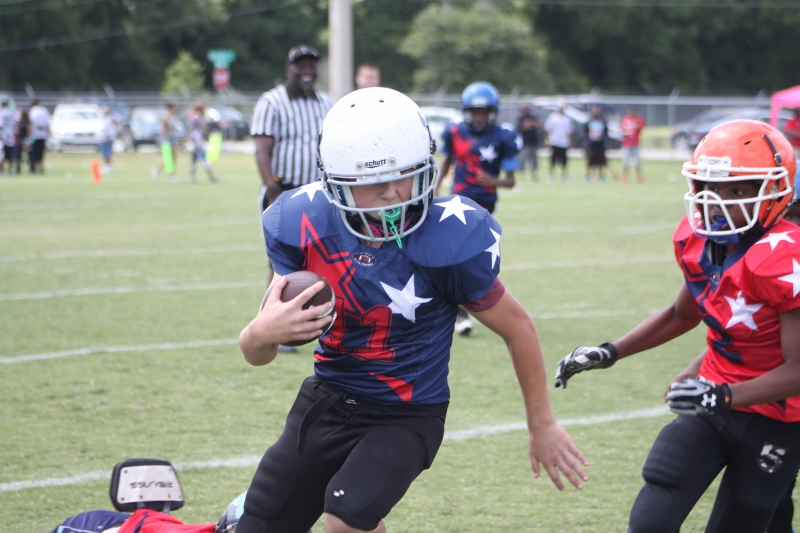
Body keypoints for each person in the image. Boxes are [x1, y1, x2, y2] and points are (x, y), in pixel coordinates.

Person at [237, 87, 589, 533]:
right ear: (336, 182)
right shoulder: (302, 223)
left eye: (406, 174)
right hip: (326, 397)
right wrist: (259, 334)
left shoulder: (449, 238)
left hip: (407, 412)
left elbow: (517, 327)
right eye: (373, 182)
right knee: (259, 523)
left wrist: (542, 425)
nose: (392, 192)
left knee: (346, 517)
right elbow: (256, 353)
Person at [554, 119, 800, 533]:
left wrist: (723, 395)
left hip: (775, 413)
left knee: (745, 519)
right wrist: (610, 351)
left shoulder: (784, 257)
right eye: (710, 187)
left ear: (775, 192)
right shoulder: (698, 240)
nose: (718, 201)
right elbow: (681, 314)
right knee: (655, 508)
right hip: (712, 397)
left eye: (737, 190)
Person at [436, 81, 518, 336]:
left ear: (492, 113)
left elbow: (511, 180)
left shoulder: (503, 136)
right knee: (456, 256)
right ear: (466, 112)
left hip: (485, 206)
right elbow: (448, 159)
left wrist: (494, 181)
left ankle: (467, 308)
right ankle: (460, 314)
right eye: (475, 112)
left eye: (484, 112)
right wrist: (435, 187)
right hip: (458, 204)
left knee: (476, 258)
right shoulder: (454, 131)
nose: (480, 117)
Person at [250, 44, 333, 215]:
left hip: (319, 190)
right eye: (301, 66)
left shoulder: (325, 102)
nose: (307, 71)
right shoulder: (271, 102)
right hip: (283, 189)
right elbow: (261, 150)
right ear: (288, 70)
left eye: (311, 66)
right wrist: (272, 189)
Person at [187, 101, 219, 184]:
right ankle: (210, 176)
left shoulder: (196, 116)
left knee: (194, 160)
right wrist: (210, 131)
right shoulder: (197, 117)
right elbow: (199, 129)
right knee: (203, 158)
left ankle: (192, 177)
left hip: (196, 140)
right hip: (197, 140)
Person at [151, 103, 181, 182]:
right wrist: (165, 140)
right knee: (169, 158)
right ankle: (172, 176)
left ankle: (157, 170)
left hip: (173, 137)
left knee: (172, 158)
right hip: (168, 138)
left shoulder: (172, 116)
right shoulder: (165, 117)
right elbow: (163, 130)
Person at [543, 106, 573, 182]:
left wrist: (570, 142)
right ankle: (551, 175)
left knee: (564, 160)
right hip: (554, 141)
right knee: (553, 160)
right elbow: (548, 130)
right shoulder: (552, 118)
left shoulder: (567, 119)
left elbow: (569, 132)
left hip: (564, 142)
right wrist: (547, 140)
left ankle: (564, 175)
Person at [583, 106, 612, 183]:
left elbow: (606, 133)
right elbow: (585, 132)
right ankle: (588, 175)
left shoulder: (602, 122)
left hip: (600, 143)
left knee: (601, 160)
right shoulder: (589, 122)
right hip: (591, 143)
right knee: (590, 160)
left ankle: (601, 175)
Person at [620, 105, 646, 184]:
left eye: (632, 111)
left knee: (638, 162)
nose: (631, 113)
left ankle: (639, 177)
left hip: (635, 144)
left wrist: (636, 125)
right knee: (625, 162)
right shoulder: (625, 120)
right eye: (630, 111)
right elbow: (622, 130)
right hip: (626, 144)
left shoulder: (638, 119)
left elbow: (641, 128)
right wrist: (626, 133)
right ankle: (625, 177)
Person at [516, 104, 541, 181]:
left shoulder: (533, 117)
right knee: (522, 159)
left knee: (534, 159)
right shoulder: (521, 118)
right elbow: (522, 127)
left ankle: (534, 173)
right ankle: (522, 173)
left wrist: (530, 124)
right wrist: (530, 125)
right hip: (524, 142)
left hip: (533, 142)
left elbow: (538, 124)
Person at [28, 99, 50, 174]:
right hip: (43, 135)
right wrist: (48, 135)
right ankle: (40, 168)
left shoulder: (32, 111)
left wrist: (29, 136)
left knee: (33, 153)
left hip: (34, 136)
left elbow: (30, 124)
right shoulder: (44, 110)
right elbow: (47, 124)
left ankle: (33, 169)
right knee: (40, 153)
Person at [98, 107, 116, 174]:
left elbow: (109, 130)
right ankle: (106, 166)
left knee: (107, 153)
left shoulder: (109, 120)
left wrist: (107, 137)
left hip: (106, 139)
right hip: (102, 139)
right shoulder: (103, 119)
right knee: (104, 153)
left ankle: (108, 166)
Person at [13, 109, 30, 175]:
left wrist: (28, 139)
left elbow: (28, 131)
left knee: (28, 154)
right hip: (20, 139)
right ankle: (18, 168)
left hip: (25, 139)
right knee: (18, 154)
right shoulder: (20, 122)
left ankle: (30, 168)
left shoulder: (27, 122)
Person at [0, 100, 15, 174]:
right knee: (10, 154)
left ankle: (1, 170)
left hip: (3, 135)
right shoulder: (11, 113)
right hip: (10, 135)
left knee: (1, 154)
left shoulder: (2, 113)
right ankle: (11, 170)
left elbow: (1, 125)